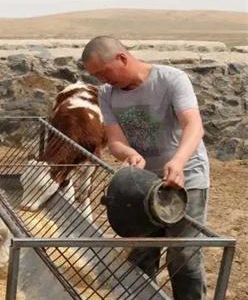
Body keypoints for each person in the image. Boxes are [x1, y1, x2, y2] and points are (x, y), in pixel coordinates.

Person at [82, 36, 209, 300]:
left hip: (184, 177)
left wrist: (178, 161)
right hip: (142, 183)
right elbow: (115, 140)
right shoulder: (107, 93)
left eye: (104, 72)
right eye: (96, 76)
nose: (103, 80)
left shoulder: (171, 79)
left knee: (182, 253)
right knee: (141, 249)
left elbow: (193, 126)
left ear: (122, 58)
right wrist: (128, 153)